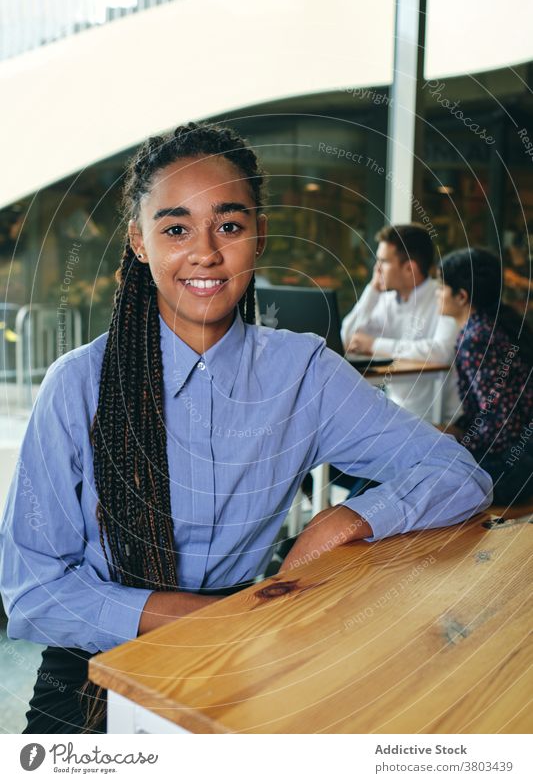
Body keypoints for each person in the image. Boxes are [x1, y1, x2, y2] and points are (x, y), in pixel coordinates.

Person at [0, 124, 491, 735]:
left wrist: (350, 519)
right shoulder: (76, 385)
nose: (205, 251)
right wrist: (200, 618)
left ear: (258, 235)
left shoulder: (304, 372)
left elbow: (459, 473)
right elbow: (30, 591)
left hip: (240, 657)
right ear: (139, 242)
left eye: (228, 226)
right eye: (176, 228)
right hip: (90, 671)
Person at [437, 247, 533, 504]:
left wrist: (460, 445)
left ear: (461, 296)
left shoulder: (478, 338)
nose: (436, 293)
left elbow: (501, 425)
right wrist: (456, 432)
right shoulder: (489, 326)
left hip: (512, 469)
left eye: (441, 286)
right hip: (517, 456)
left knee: (422, 473)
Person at [341, 224, 460, 421]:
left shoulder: (442, 297)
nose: (376, 269)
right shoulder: (385, 299)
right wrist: (372, 290)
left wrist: (374, 344)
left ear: (409, 268)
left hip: (436, 418)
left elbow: (441, 351)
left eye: (383, 261)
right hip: (392, 411)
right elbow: (347, 339)